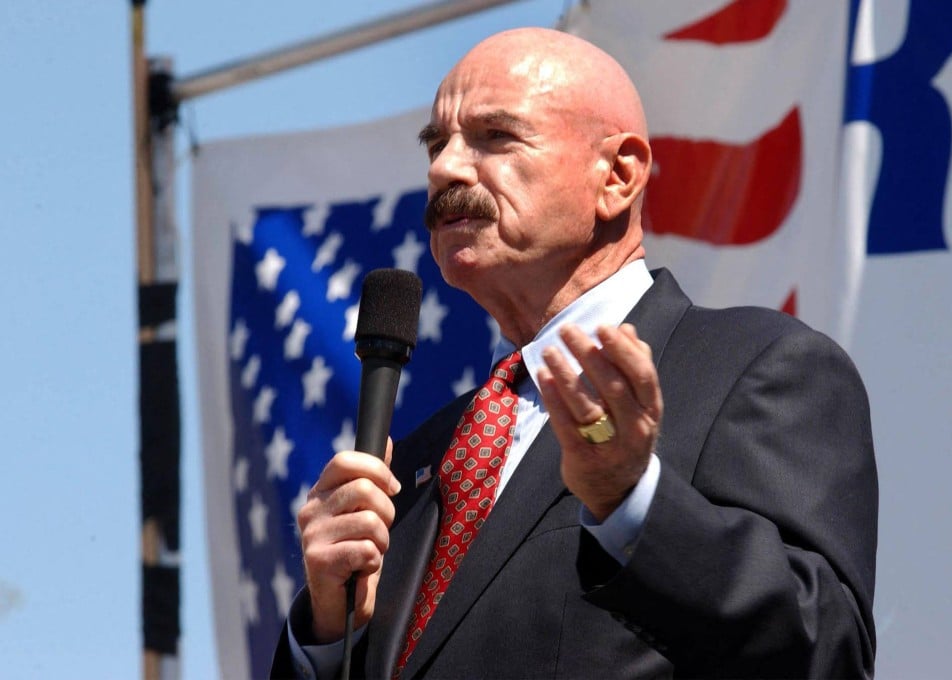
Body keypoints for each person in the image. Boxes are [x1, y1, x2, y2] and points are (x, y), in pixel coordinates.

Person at [273, 27, 878, 679]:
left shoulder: (756, 369)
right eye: (437, 143)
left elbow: (827, 650)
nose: (445, 168)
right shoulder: (421, 461)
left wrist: (634, 503)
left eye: (494, 136)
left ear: (617, 176)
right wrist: (326, 633)